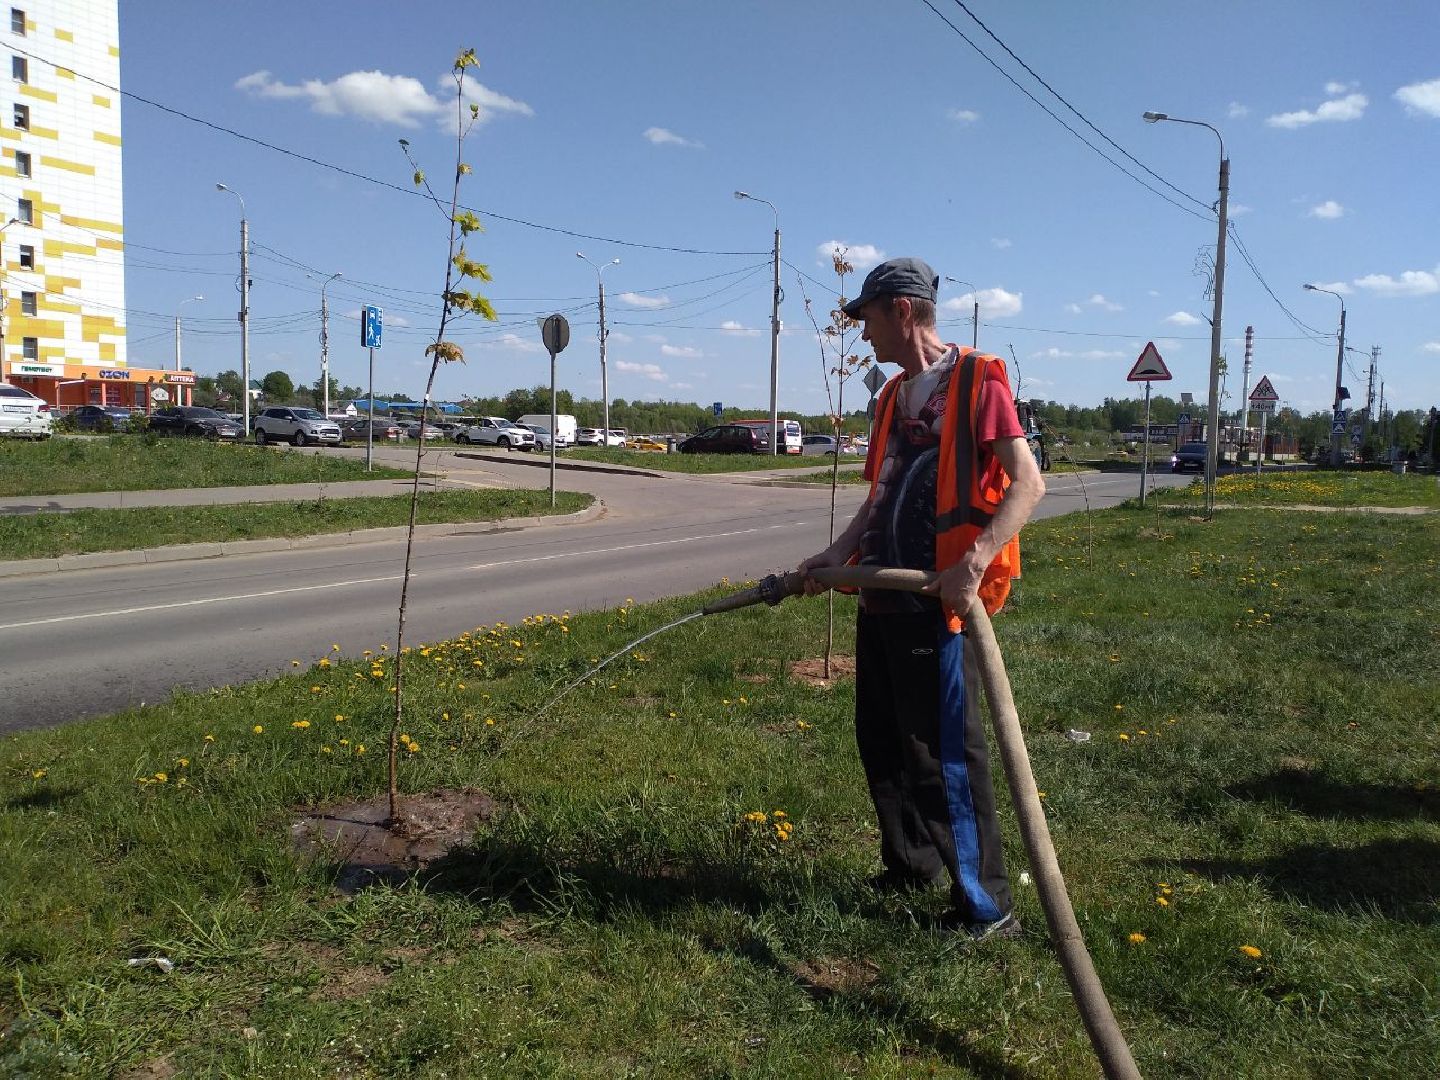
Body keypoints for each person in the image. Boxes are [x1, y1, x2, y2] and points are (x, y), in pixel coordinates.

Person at [798, 257, 1045, 939]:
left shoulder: (976, 381)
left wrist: (974, 560)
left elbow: (1028, 484)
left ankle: (986, 908)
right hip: (881, 597)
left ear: (902, 310)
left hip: (939, 602)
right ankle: (911, 867)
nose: (863, 334)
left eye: (868, 318)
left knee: (945, 757)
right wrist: (837, 554)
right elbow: (878, 495)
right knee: (883, 741)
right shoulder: (891, 398)